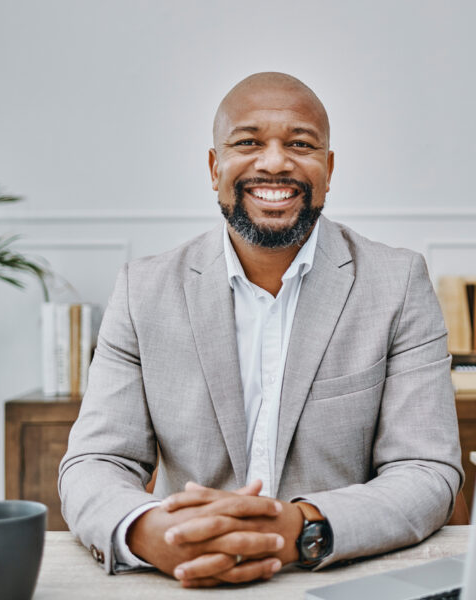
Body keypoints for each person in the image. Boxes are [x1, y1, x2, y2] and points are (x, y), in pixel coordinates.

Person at [59, 72, 463, 588]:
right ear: (214, 167)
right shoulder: (143, 289)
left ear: (328, 169)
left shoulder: (398, 283)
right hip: (184, 577)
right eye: (248, 142)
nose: (274, 162)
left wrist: (300, 528)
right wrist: (146, 531)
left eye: (300, 143)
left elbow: (427, 470)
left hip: (341, 578)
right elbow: (96, 460)